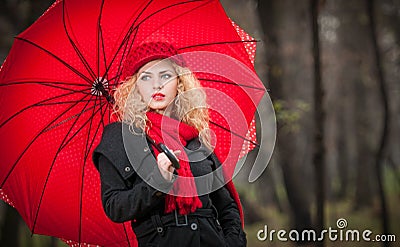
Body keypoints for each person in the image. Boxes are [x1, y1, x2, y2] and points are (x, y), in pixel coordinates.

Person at [92, 42, 247, 247]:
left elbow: (226, 207)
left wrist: (233, 243)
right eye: (146, 77)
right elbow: (115, 206)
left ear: (180, 83)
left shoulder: (195, 139)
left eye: (165, 75)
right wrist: (158, 180)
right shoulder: (120, 138)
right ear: (135, 86)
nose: (156, 85)